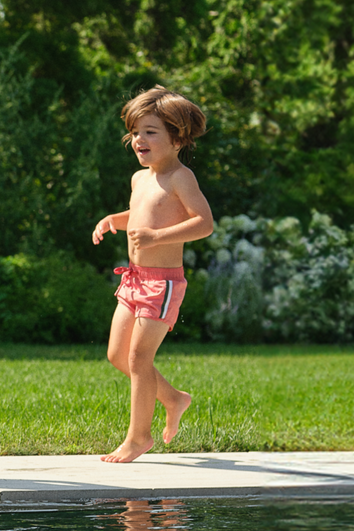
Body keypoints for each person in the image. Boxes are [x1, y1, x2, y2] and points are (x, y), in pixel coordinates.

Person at [91, 86, 213, 463]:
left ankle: (138, 437)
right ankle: (174, 399)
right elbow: (142, 215)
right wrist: (116, 220)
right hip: (134, 278)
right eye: (135, 133)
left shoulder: (181, 178)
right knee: (117, 355)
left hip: (162, 284)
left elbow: (203, 223)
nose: (138, 140)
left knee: (138, 359)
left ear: (177, 138)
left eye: (150, 132)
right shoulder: (139, 179)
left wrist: (158, 236)